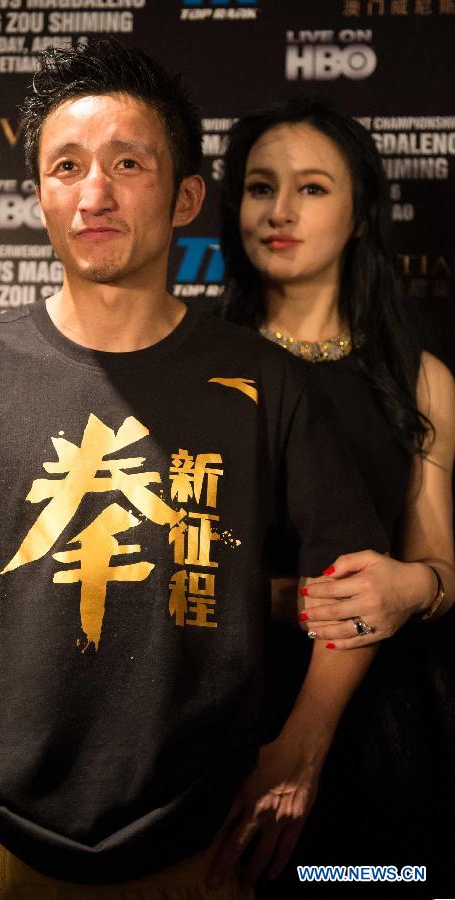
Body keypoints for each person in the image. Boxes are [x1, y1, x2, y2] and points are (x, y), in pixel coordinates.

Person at [0, 45, 390, 900]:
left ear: (186, 195)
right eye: (66, 167)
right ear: (40, 195)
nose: (94, 193)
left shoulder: (266, 383)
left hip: (202, 847)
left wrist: (303, 746)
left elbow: (356, 582)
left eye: (127, 164)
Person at [220, 97, 455, 896]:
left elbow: (441, 565)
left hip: (381, 727)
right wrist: (283, 599)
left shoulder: (420, 379)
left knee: (357, 881)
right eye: (260, 187)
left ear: (360, 216)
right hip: (220, 708)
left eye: (313, 189)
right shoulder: (190, 359)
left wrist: (409, 587)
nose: (279, 212)